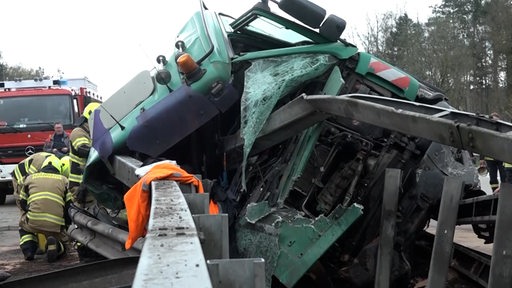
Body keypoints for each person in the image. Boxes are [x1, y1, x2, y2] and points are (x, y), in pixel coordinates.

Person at [18, 155, 72, 262]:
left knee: (23, 226)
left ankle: (29, 250)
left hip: (33, 221)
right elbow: (68, 207)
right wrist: (65, 226)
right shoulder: (64, 180)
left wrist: (30, 210)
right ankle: (56, 245)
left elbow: (22, 202)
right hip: (55, 224)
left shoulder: (30, 178)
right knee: (64, 245)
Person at [69, 102, 100, 205]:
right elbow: (83, 150)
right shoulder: (78, 132)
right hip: (79, 184)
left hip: (88, 183)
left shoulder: (90, 133)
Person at [479, 112, 505, 192]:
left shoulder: (503, 130)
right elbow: (482, 145)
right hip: (490, 159)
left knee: (504, 177)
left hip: (501, 158)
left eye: (497, 120)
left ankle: (504, 192)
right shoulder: (486, 131)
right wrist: (481, 158)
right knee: (493, 178)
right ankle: (494, 192)